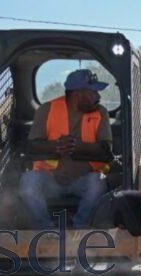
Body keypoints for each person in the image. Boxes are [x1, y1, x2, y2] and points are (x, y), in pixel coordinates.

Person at [19, 69, 113, 229]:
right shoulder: (46, 110)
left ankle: (79, 229)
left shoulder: (100, 112)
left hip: (84, 179)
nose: (98, 97)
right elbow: (32, 146)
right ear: (78, 95)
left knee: (98, 184)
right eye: (94, 92)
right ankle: (47, 230)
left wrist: (80, 147)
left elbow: (106, 150)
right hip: (50, 179)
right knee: (28, 182)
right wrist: (56, 146)